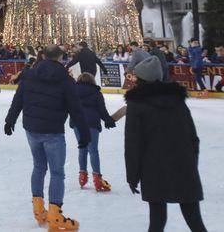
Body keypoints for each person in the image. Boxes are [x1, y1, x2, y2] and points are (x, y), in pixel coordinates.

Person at [5, 44, 89, 231]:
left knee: (39, 166)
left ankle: (38, 210)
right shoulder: (66, 80)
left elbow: (18, 98)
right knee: (57, 172)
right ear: (60, 57)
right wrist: (84, 133)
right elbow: (76, 108)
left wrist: (10, 120)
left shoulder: (30, 73)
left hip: (32, 129)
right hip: (53, 131)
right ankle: (55, 215)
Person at [124, 52, 206, 232]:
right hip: (184, 164)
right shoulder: (178, 101)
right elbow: (193, 137)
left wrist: (132, 175)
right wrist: (191, 162)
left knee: (157, 220)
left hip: (154, 168)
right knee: (194, 220)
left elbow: (133, 144)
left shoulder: (137, 105)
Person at [71, 72, 116, 193]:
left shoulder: (73, 91)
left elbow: (69, 107)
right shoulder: (96, 93)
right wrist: (108, 121)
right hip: (92, 123)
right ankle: (97, 179)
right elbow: (102, 110)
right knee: (93, 150)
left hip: (78, 123)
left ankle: (82, 176)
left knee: (82, 148)